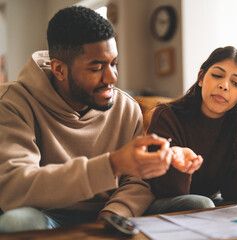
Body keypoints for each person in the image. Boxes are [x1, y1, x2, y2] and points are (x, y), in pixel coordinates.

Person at [0, 6, 173, 233]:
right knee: (17, 222)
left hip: (111, 210)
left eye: (114, 63)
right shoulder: (12, 103)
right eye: (97, 67)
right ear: (59, 70)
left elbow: (137, 181)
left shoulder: (126, 108)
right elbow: (16, 187)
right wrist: (112, 165)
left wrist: (115, 213)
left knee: (196, 205)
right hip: (46, 213)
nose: (112, 77)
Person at [145, 46, 237, 215]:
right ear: (201, 78)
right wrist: (181, 161)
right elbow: (168, 191)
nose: (224, 85)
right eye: (217, 75)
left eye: (236, 83)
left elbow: (236, 194)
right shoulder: (167, 116)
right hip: (163, 202)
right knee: (201, 203)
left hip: (208, 203)